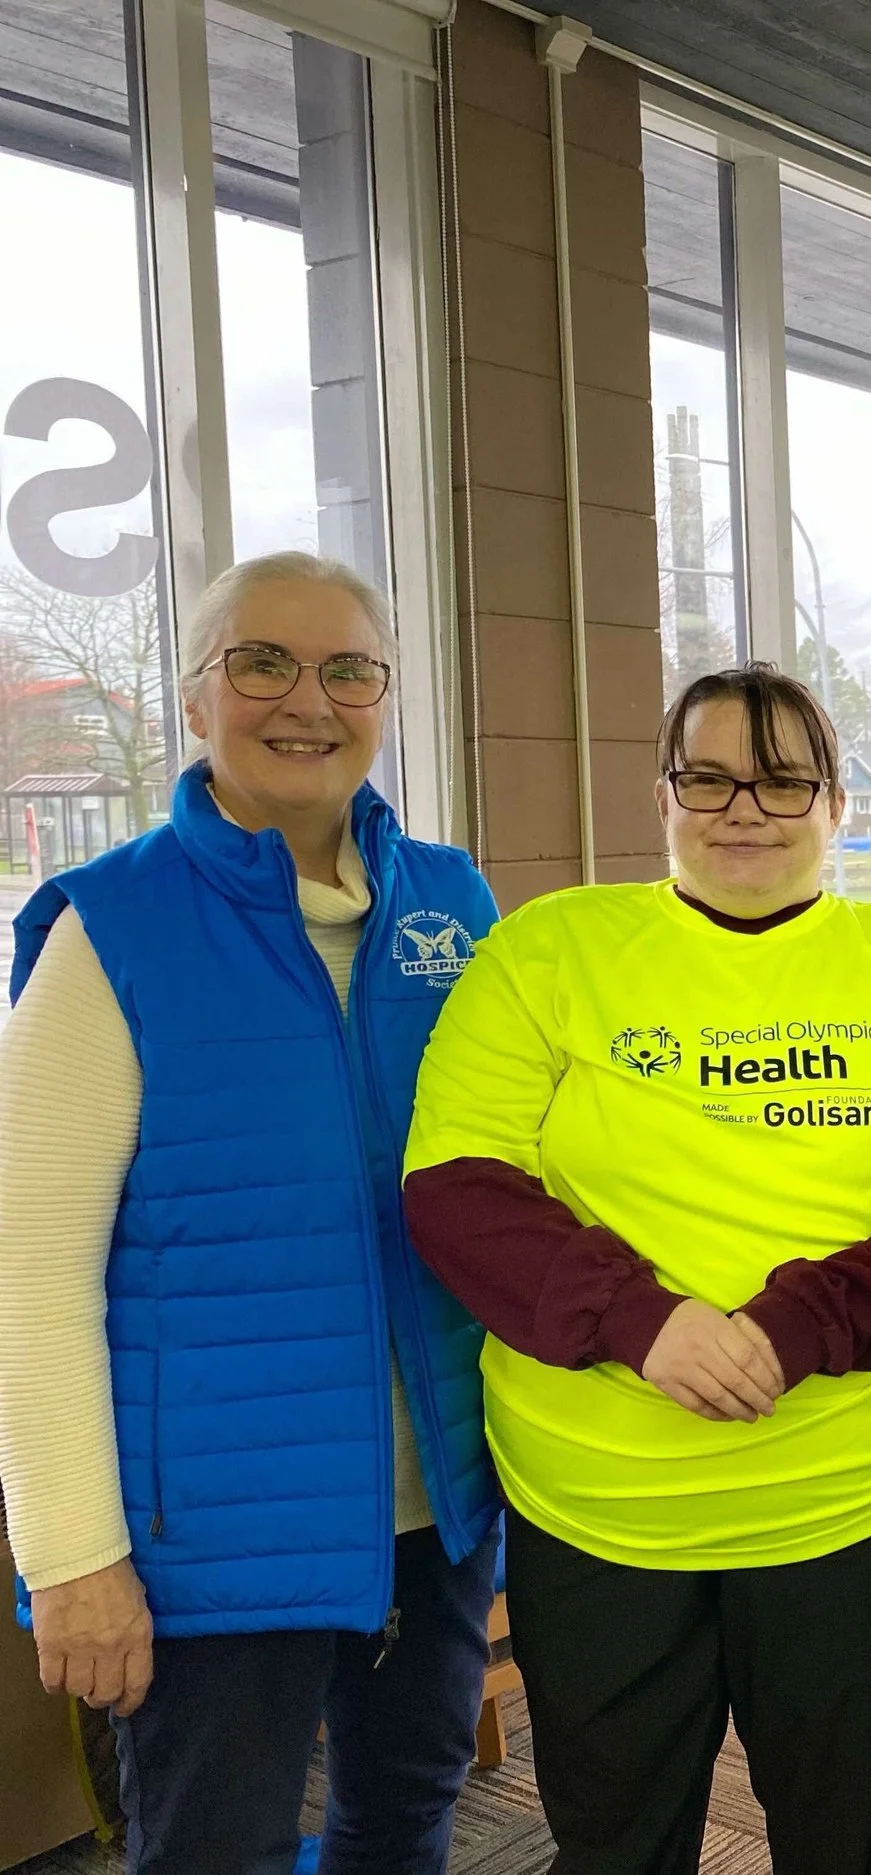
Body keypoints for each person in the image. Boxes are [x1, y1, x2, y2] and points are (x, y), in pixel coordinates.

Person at [401, 663, 871, 1875]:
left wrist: (802, 1323)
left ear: (837, 803)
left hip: (846, 1503)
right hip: (602, 1515)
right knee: (618, 1841)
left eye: (783, 779)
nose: (743, 808)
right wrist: (641, 1324)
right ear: (661, 797)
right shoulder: (551, 951)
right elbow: (458, 1193)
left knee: (850, 1835)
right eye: (708, 777)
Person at [0, 551, 502, 1875]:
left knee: (404, 1816)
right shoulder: (107, 931)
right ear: (193, 697)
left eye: (349, 668)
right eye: (261, 661)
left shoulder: (450, 903)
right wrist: (72, 1554)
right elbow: (31, 1278)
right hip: (209, 1535)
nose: (307, 700)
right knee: (214, 1848)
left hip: (429, 1508)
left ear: (386, 696)